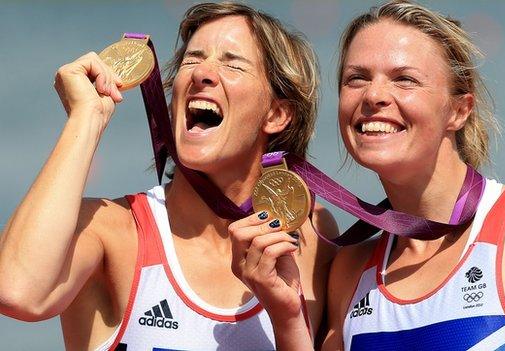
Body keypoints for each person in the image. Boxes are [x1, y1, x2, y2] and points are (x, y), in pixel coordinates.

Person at [231, 1, 505, 350]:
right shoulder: (350, 274)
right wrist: (287, 318)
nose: (373, 96)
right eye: (357, 78)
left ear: (459, 110)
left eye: (404, 79)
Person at [0, 2, 337, 350]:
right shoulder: (111, 232)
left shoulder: (309, 236)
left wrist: (288, 319)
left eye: (232, 62)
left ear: (277, 114)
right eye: (192, 59)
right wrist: (86, 118)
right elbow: (17, 292)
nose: (201, 73)